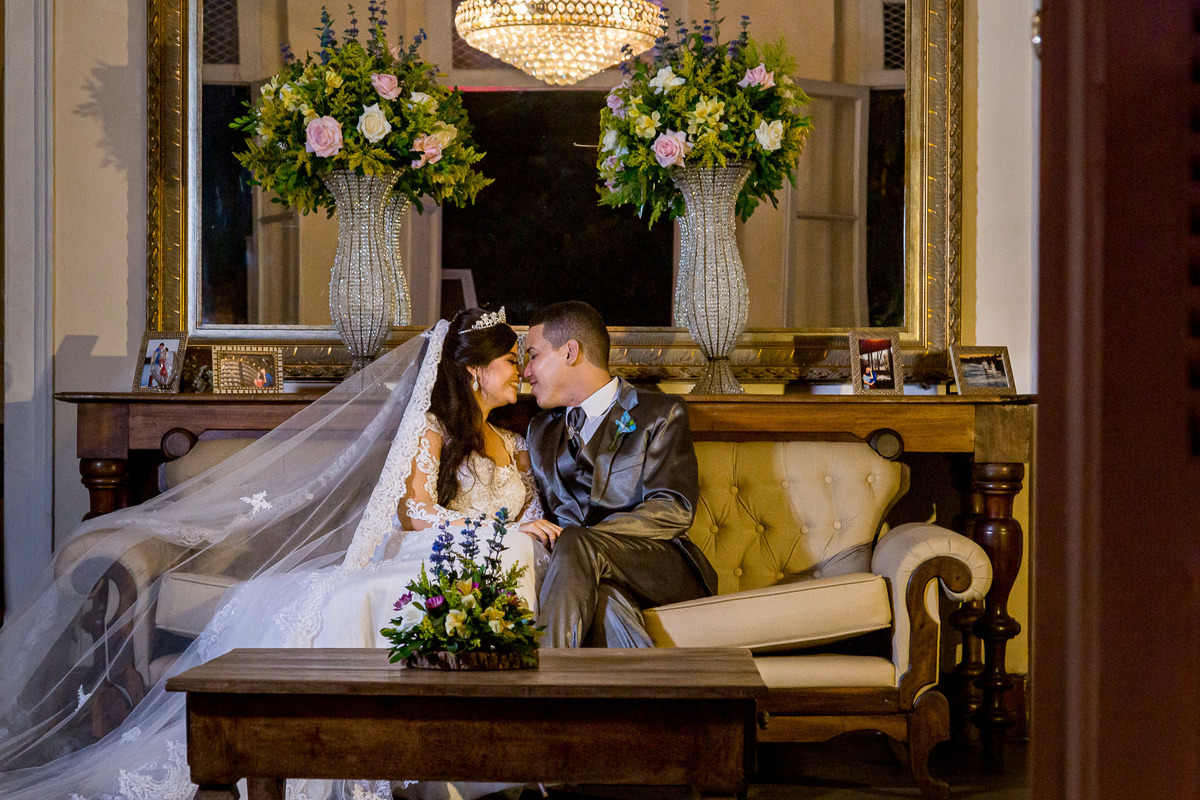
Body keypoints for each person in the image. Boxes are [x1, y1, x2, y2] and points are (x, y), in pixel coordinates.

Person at [0, 308, 554, 800]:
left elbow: (534, 516)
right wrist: (496, 529)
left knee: (514, 551)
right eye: (512, 361)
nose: (521, 373)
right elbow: (415, 512)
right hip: (426, 550)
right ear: (474, 370)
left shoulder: (516, 445)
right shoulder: (431, 431)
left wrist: (518, 531)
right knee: (404, 583)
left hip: (479, 560)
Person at [522, 301, 717, 648]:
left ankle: (543, 670)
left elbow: (673, 508)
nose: (526, 372)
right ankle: (639, 685)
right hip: (580, 576)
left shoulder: (660, 413)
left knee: (578, 545)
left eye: (533, 356)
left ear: (570, 352)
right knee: (605, 603)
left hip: (657, 566)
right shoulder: (540, 431)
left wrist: (583, 541)